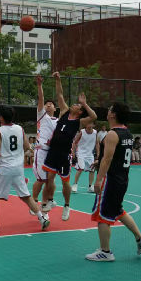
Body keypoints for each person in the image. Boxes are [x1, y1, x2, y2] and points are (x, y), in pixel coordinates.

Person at [86, 101, 141, 261]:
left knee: (102, 214)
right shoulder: (127, 133)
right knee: (117, 210)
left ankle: (105, 252)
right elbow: (117, 155)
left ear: (113, 114)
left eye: (109, 109)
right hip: (122, 179)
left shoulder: (112, 134)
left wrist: (98, 180)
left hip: (110, 180)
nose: (107, 111)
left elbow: (107, 159)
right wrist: (99, 160)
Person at [0, 106, 50, 234]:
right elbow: (26, 146)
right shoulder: (19, 128)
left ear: (1, 117)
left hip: (4, 168)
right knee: (26, 196)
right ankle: (42, 218)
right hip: (18, 168)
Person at [42, 71, 97, 221]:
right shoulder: (64, 112)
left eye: (77, 105)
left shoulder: (79, 122)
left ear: (79, 112)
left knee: (65, 181)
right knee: (49, 178)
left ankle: (67, 205)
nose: (74, 104)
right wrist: (58, 80)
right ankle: (51, 200)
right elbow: (60, 94)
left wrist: (84, 103)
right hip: (53, 151)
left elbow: (94, 116)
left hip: (64, 154)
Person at [31, 74, 58, 208]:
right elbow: (41, 98)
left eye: (51, 104)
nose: (48, 105)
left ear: (55, 109)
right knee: (41, 179)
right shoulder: (42, 116)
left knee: (49, 180)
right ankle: (33, 202)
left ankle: (45, 203)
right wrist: (39, 85)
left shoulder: (59, 121)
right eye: (47, 104)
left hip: (53, 153)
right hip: (41, 151)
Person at [72, 123, 99, 193]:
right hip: (81, 153)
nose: (89, 125)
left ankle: (90, 187)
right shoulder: (82, 132)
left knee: (92, 170)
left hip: (90, 154)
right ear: (86, 125)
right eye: (88, 123)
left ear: (93, 125)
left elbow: (97, 143)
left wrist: (98, 154)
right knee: (80, 168)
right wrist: (73, 152)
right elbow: (75, 142)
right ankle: (75, 184)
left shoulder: (95, 132)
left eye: (91, 123)